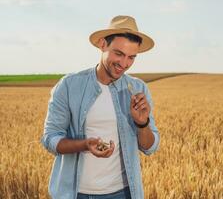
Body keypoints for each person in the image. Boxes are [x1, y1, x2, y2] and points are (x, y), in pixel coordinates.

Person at [41, 15, 160, 199]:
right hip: (75, 193)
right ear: (102, 44)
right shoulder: (69, 85)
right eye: (118, 54)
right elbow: (50, 138)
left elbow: (149, 148)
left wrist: (142, 123)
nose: (124, 64)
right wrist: (85, 144)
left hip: (123, 193)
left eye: (131, 57)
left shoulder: (138, 89)